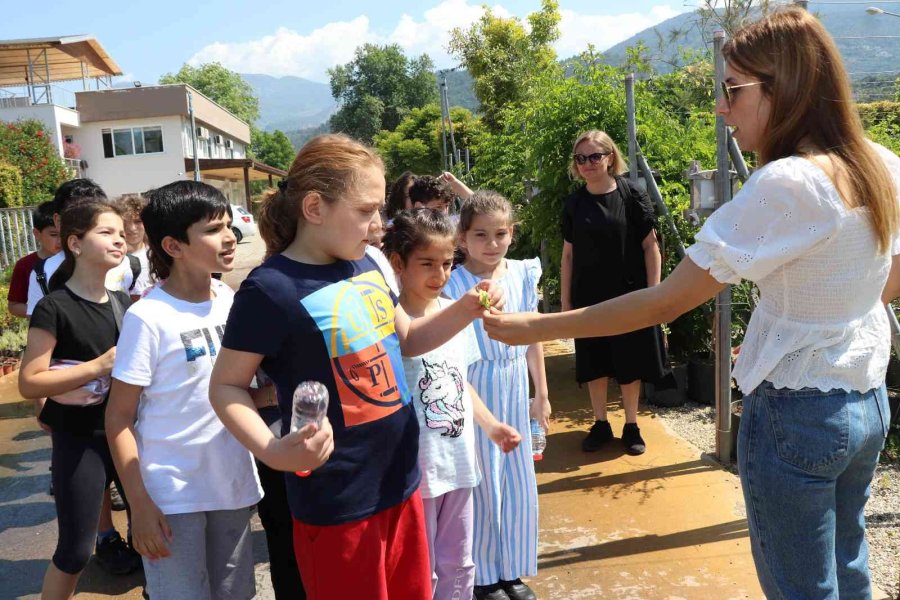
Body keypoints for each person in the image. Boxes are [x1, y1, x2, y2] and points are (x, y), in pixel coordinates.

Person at [483, 8, 900, 599]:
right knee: (849, 567)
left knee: (801, 587)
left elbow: (664, 303)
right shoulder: (880, 163)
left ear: (784, 89)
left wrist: (535, 325)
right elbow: (888, 271)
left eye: (732, 89)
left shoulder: (789, 182)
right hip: (865, 403)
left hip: (796, 415)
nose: (721, 107)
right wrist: (806, 325)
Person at [207, 133, 504, 600]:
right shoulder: (270, 290)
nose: (377, 225)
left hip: (403, 481)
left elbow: (407, 340)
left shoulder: (368, 265)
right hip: (338, 502)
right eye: (366, 211)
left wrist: (467, 307)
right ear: (314, 208)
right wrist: (274, 449)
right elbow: (225, 386)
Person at [105, 181, 262, 600]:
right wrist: (139, 505)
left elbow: (237, 394)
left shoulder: (229, 299)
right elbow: (119, 418)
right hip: (172, 494)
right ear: (173, 245)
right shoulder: (148, 317)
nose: (230, 237)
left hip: (231, 484)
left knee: (236, 594)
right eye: (213, 229)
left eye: (229, 225)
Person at [383, 208, 522, 600]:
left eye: (446, 264)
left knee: (460, 563)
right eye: (426, 263)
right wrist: (466, 309)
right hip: (417, 472)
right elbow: (410, 344)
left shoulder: (450, 311)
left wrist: (492, 425)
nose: (439, 275)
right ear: (398, 263)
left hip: (460, 464)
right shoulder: (392, 316)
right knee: (419, 568)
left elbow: (459, 381)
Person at [18, 200, 141, 599]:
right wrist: (97, 366)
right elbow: (30, 382)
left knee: (152, 534)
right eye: (106, 233)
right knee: (74, 552)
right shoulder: (54, 307)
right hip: (79, 440)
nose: (119, 240)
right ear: (75, 243)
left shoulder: (123, 303)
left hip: (128, 435)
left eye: (121, 233)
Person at [444, 191, 550, 600]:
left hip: (513, 383)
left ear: (512, 234)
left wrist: (539, 393)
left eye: (500, 234)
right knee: (484, 480)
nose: (492, 243)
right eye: (481, 235)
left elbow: (534, 336)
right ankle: (485, 574)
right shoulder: (454, 283)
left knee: (517, 478)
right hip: (476, 386)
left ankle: (512, 569)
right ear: (462, 237)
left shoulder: (522, 274)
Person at [561, 130, 666, 456]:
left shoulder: (632, 194)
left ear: (610, 157)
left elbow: (651, 247)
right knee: (594, 362)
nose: (588, 163)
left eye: (594, 156)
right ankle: (601, 423)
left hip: (630, 296)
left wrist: (655, 296)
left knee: (629, 362)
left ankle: (631, 425)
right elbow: (568, 255)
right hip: (589, 298)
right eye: (582, 158)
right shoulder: (574, 204)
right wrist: (566, 304)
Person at [26, 179, 134, 317]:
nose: (118, 240)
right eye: (79, 217)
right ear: (58, 221)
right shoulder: (42, 273)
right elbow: (38, 323)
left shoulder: (128, 264)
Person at [6, 201, 60, 318]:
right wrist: (43, 311)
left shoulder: (76, 259)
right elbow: (14, 306)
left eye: (64, 233)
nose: (60, 240)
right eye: (54, 234)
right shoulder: (24, 265)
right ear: (36, 233)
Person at [116, 194, 155, 300]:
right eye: (125, 222)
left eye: (138, 221)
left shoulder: (157, 256)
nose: (132, 228)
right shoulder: (112, 258)